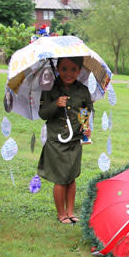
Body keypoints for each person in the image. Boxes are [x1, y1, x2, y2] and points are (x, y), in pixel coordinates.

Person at [37, 57, 93, 224]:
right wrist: (56, 104)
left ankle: (70, 211)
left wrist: (86, 127)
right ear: (58, 68)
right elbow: (42, 114)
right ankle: (61, 213)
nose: (69, 73)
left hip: (75, 140)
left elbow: (85, 111)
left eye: (73, 69)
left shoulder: (82, 90)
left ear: (79, 70)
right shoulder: (50, 89)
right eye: (64, 69)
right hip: (57, 141)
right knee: (61, 179)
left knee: (71, 177)